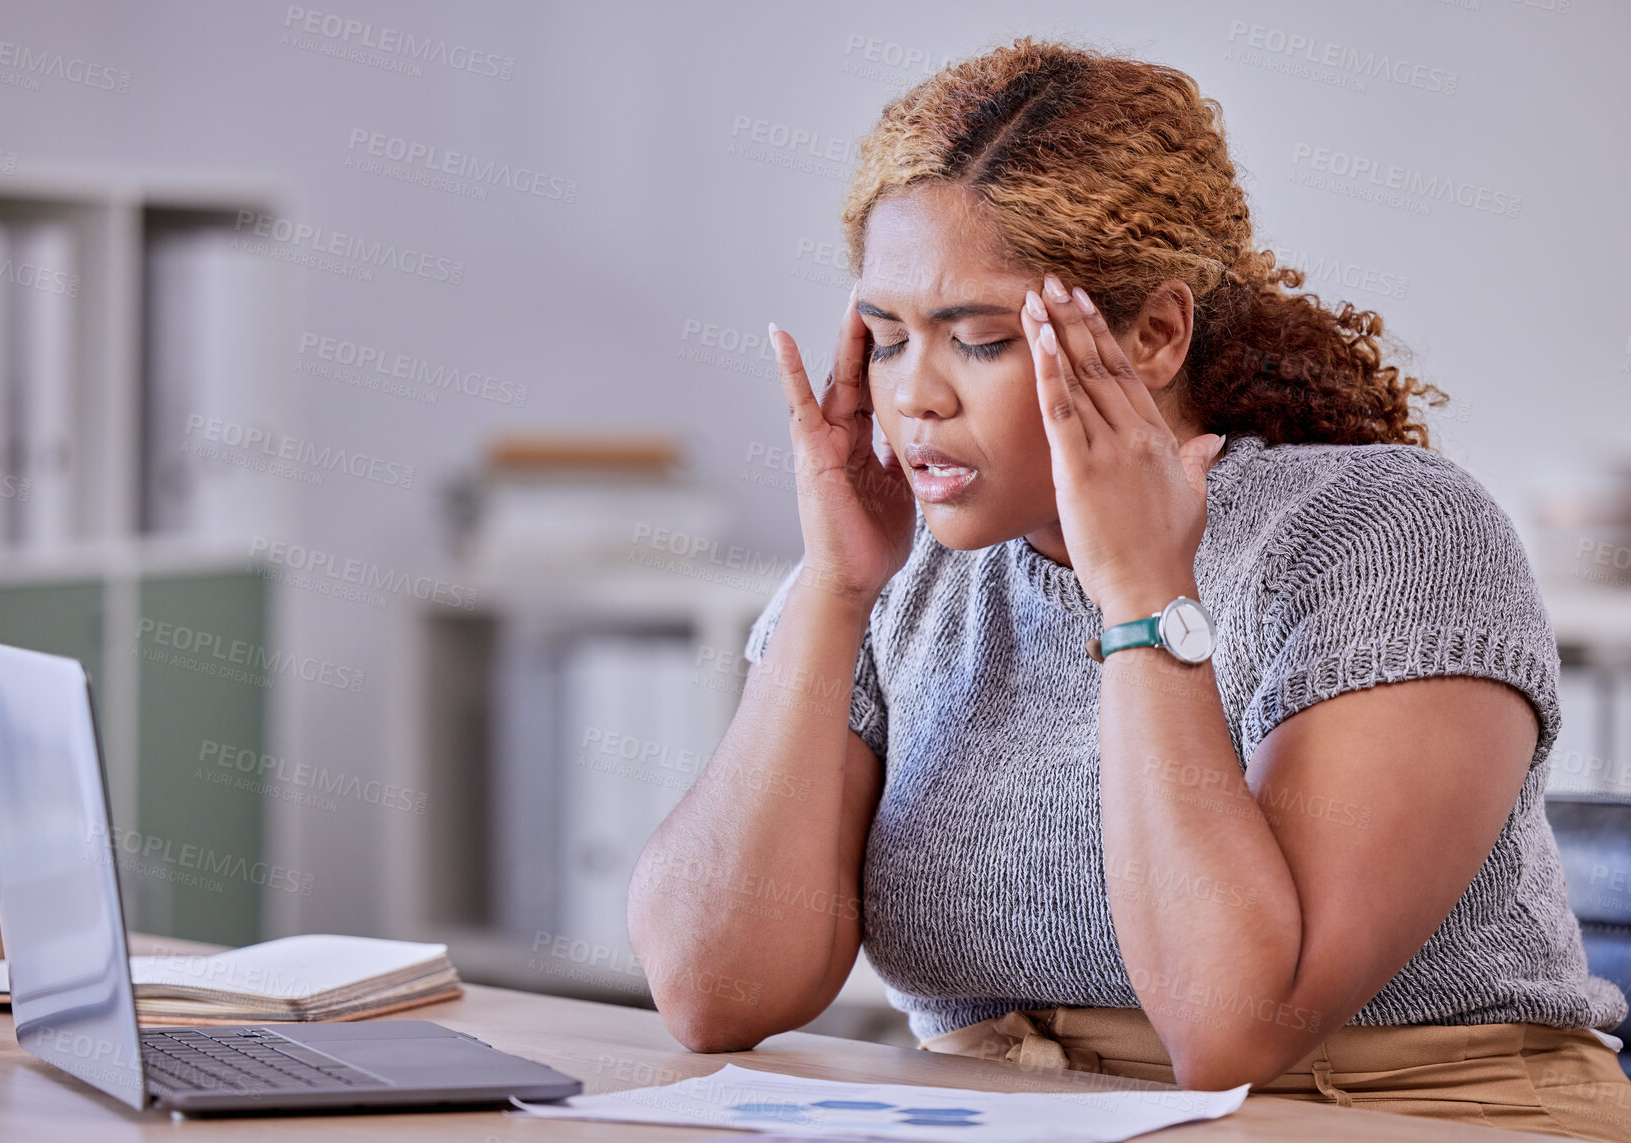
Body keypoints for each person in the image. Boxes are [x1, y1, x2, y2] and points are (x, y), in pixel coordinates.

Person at [627, 36, 1631, 1139]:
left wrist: (1143, 594)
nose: (912, 397)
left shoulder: (1388, 536)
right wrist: (831, 589)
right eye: (883, 338)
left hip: (1403, 1117)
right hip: (1023, 1117)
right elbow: (710, 992)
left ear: (1152, 335)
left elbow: (1230, 1029)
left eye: (979, 342)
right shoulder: (900, 573)